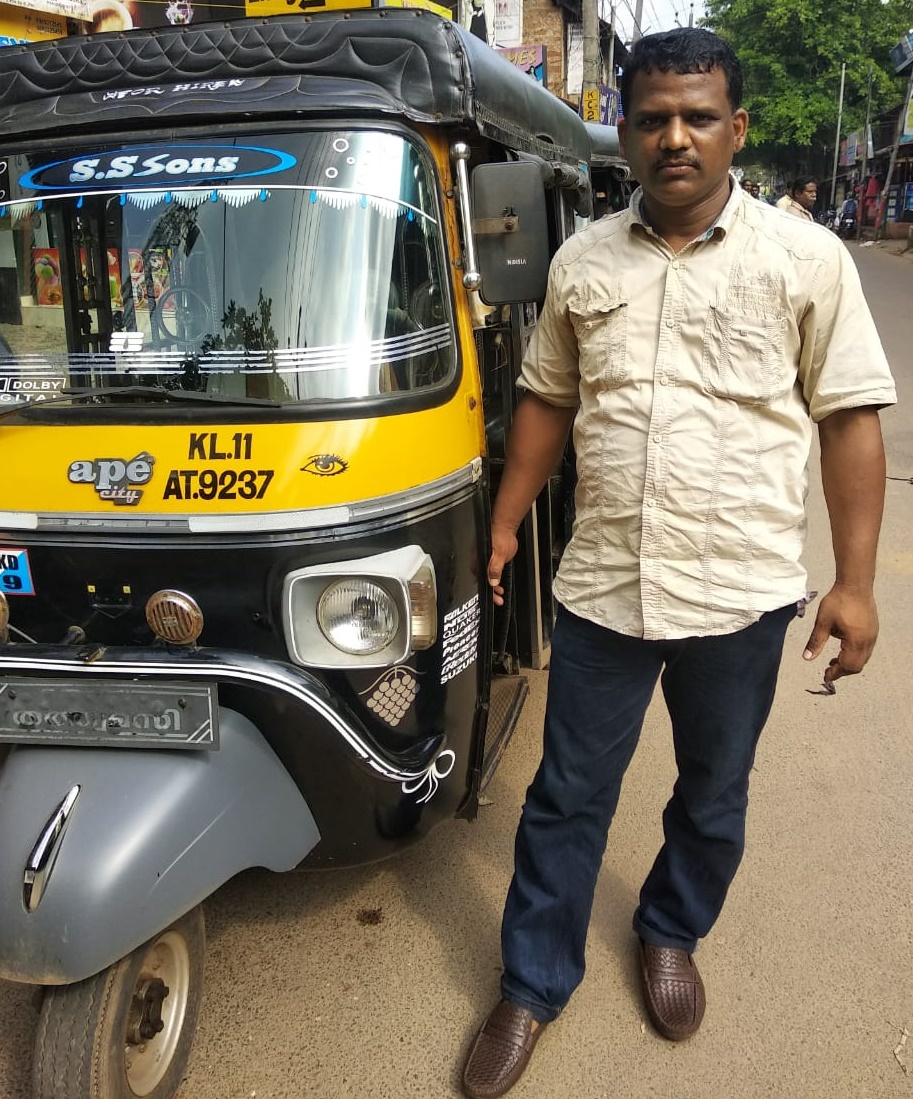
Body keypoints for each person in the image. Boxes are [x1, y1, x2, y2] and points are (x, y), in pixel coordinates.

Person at [461, 27, 895, 1099]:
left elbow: (848, 422)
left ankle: (669, 929)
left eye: (697, 116)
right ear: (625, 128)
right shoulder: (581, 261)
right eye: (652, 117)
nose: (674, 137)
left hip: (739, 593)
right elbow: (547, 400)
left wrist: (854, 581)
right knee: (567, 796)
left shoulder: (804, 260)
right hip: (606, 584)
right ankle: (531, 980)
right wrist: (509, 522)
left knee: (712, 791)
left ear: (734, 129)